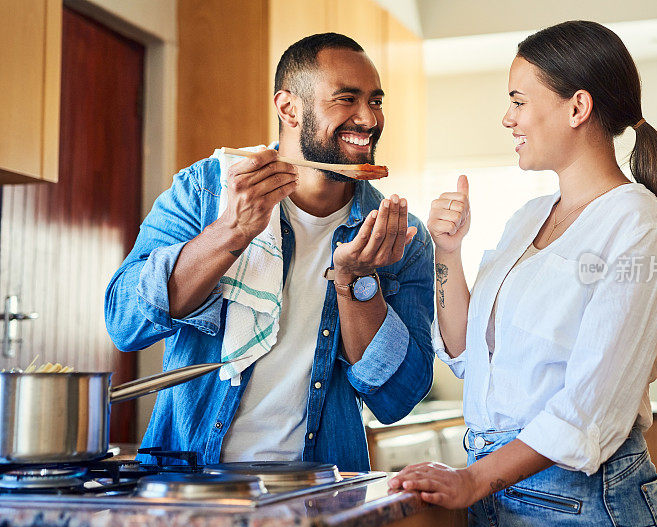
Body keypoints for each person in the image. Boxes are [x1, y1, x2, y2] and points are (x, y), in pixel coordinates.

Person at [389, 20, 657, 527]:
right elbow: (465, 351)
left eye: (518, 101)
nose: (507, 119)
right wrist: (447, 251)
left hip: (583, 505)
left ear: (578, 107)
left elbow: (590, 407)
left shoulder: (638, 227)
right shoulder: (528, 217)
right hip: (498, 494)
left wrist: (474, 479)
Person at [105, 33, 434, 471]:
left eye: (375, 101)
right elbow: (124, 322)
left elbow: (400, 396)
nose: (368, 118)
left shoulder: (400, 235)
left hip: (321, 489)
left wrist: (356, 282)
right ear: (288, 108)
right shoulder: (208, 191)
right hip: (188, 481)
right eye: (346, 99)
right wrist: (232, 231)